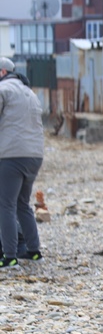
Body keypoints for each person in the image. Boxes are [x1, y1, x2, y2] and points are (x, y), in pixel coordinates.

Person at [0, 57, 45, 268]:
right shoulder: (30, 93)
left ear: (2, 72)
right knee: (22, 204)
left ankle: (9, 256)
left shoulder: (3, 89)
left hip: (11, 156)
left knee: (6, 205)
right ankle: (34, 251)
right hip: (34, 156)